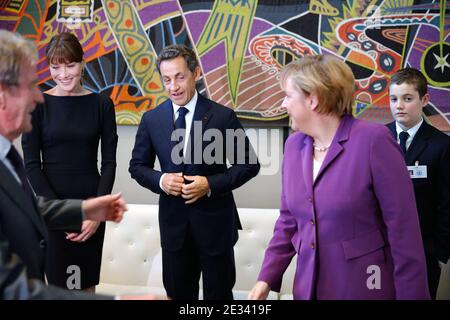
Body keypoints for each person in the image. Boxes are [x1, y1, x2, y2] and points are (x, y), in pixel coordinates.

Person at [248, 54, 430, 300]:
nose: (284, 104)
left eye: (289, 96)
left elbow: (404, 233)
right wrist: (265, 279)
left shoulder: (373, 141)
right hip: (308, 288)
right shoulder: (293, 146)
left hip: (364, 287)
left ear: (313, 99)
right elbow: (288, 221)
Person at [0, 29, 125, 299]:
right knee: (57, 286)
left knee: (86, 285)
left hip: (92, 202)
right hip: (51, 208)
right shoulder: (39, 104)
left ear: (82, 64)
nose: (64, 74)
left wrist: (94, 211)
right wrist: (66, 214)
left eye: (70, 65)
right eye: (56, 67)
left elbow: (110, 162)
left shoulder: (102, 104)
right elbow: (32, 165)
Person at [129, 44, 260, 300]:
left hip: (216, 227)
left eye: (179, 77)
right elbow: (137, 167)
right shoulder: (151, 119)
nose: (173, 87)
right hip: (174, 230)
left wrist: (209, 184)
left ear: (195, 73)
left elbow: (249, 165)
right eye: (166, 79)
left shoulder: (223, 117)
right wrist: (161, 179)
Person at [386, 67, 450, 299]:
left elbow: (447, 205)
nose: (399, 106)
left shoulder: (441, 145)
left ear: (424, 100)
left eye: (407, 98)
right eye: (394, 99)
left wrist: (441, 253)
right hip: (381, 249)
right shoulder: (376, 140)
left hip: (424, 250)